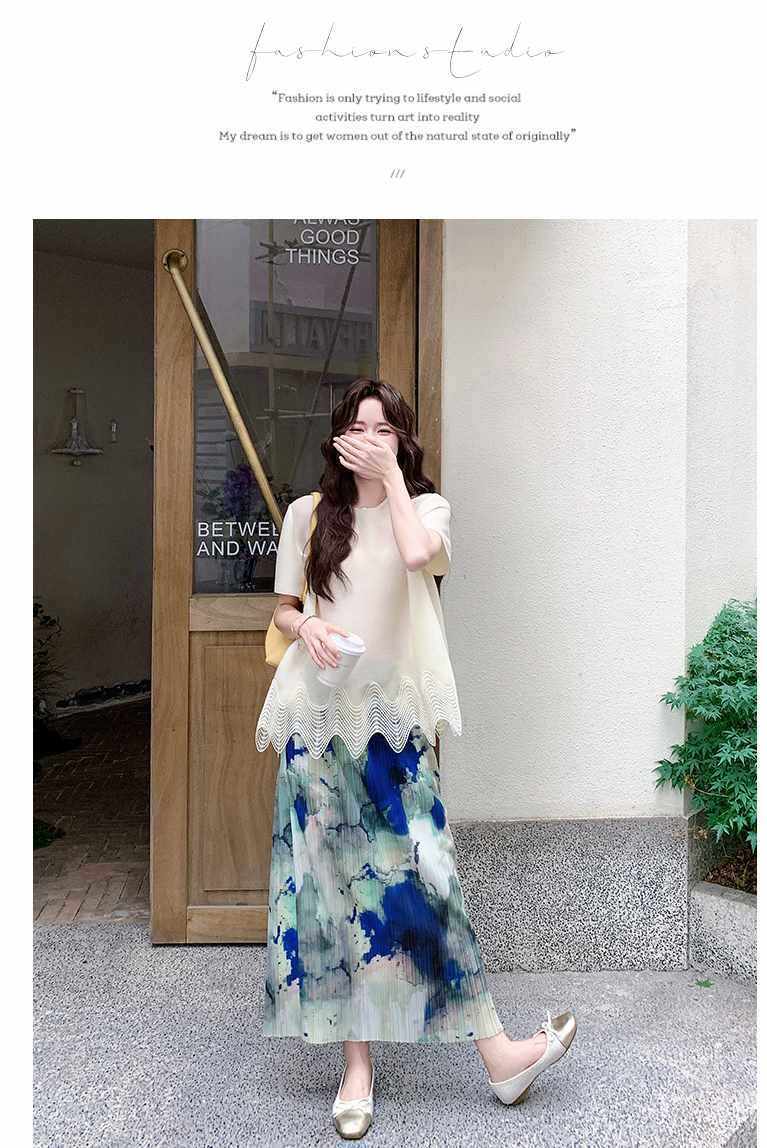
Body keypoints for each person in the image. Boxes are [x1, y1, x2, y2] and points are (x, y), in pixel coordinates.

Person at [255, 377, 577, 1138]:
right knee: (331, 891)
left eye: (386, 430)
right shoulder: (307, 515)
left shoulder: (427, 509)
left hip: (394, 728)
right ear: (337, 437)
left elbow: (414, 554)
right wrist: (307, 629)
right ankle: (356, 1070)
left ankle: (498, 1054)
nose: (369, 439)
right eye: (358, 428)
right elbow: (284, 608)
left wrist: (393, 479)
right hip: (318, 723)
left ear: (402, 442)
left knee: (431, 880)